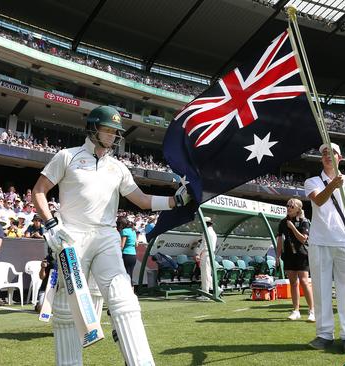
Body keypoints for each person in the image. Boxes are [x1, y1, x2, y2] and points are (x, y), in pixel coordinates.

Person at [32, 105, 190, 366]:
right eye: (108, 130)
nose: (114, 136)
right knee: (66, 309)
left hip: (106, 236)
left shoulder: (117, 167)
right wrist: (51, 224)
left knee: (124, 299)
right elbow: (38, 191)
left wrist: (174, 201)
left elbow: (140, 200)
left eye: (116, 132)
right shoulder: (67, 156)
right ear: (93, 128)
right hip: (72, 237)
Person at [304, 142, 345, 354]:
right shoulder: (312, 181)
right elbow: (319, 201)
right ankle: (324, 334)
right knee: (321, 290)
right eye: (324, 154)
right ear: (321, 159)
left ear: (340, 158)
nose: (328, 156)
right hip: (320, 241)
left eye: (333, 153)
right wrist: (332, 185)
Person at [276, 198, 315, 322]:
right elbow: (280, 240)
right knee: (293, 283)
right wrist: (277, 256)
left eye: (291, 206)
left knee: (304, 281)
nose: (288, 208)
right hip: (288, 255)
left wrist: (293, 227)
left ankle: (312, 310)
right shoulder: (283, 222)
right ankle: (296, 310)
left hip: (301, 254)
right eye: (287, 205)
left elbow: (304, 239)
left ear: (298, 209)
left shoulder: (304, 221)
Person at [195, 216, 217, 300]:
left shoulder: (206, 232)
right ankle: (217, 289)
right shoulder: (213, 232)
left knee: (205, 274)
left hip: (206, 254)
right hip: (210, 254)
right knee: (208, 274)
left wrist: (197, 253)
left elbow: (203, 245)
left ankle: (205, 294)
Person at [119, 217, 137, 285]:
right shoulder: (133, 231)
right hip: (133, 255)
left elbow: (122, 245)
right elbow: (136, 244)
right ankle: (131, 292)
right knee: (130, 275)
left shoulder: (124, 231)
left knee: (125, 275)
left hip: (126, 254)